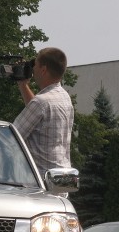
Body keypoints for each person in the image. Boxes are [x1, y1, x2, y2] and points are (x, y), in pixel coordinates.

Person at [12, 47, 74, 177]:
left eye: (35, 65)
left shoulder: (41, 102)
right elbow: (36, 112)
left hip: (41, 180)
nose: (33, 69)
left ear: (43, 70)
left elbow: (12, 138)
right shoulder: (64, 97)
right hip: (61, 176)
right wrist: (23, 85)